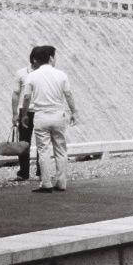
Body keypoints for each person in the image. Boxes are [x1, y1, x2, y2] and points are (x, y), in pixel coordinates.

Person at [21, 45, 78, 193]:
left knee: (43, 150)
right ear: (51, 57)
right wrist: (74, 112)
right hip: (58, 115)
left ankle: (46, 183)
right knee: (60, 149)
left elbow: (26, 97)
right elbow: (69, 94)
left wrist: (25, 114)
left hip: (41, 115)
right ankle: (61, 182)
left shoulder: (32, 76)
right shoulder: (61, 75)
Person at [9, 49, 40, 181]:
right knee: (23, 143)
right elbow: (16, 93)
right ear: (34, 60)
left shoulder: (45, 73)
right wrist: (15, 113)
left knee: (42, 143)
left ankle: (41, 171)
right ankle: (24, 172)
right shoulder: (21, 73)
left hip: (40, 110)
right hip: (25, 111)